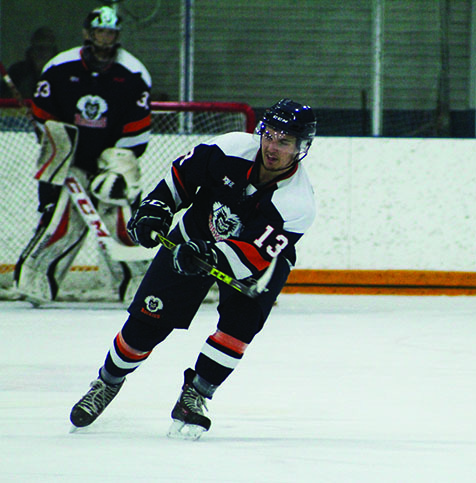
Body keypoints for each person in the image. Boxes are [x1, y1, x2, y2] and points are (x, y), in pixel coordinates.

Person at [69, 98, 317, 440]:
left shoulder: (297, 203)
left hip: (256, 262)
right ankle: (107, 383)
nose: (272, 147)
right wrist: (157, 206)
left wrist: (211, 256)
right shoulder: (229, 147)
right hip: (193, 236)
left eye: (284, 141)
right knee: (144, 325)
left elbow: (251, 255)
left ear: (302, 148)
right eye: (269, 134)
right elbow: (181, 178)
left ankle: (195, 396)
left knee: (239, 327)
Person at [13, 6, 152, 304]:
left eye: (111, 32)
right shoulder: (60, 68)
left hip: (110, 163)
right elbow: (44, 118)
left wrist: (118, 170)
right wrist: (58, 151)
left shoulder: (133, 72)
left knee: (123, 221)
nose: (105, 38)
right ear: (87, 33)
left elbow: (137, 130)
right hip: (68, 162)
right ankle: (36, 283)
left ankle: (137, 286)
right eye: (100, 31)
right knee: (58, 222)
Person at [1, 27, 58, 100]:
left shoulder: (62, 73)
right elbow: (4, 99)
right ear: (32, 49)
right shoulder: (17, 72)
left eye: (46, 49)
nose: (42, 53)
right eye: (38, 48)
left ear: (53, 52)